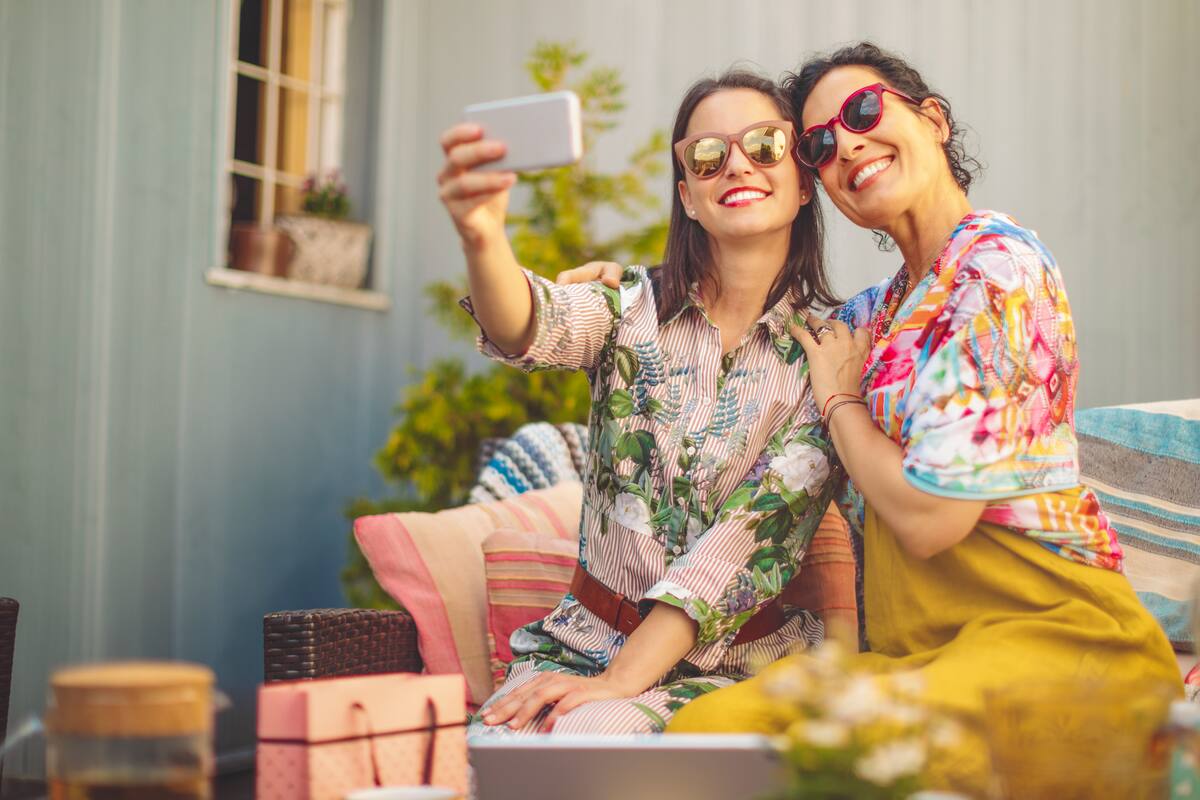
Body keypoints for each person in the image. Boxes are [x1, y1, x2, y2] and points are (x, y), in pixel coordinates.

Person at [656, 42, 1182, 793]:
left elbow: (932, 520)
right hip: (924, 658)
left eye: (865, 110)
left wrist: (840, 404)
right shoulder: (873, 312)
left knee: (852, 759)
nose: (849, 145)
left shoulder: (999, 271)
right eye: (820, 144)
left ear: (932, 119)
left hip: (1060, 643)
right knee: (702, 736)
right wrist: (631, 299)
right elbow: (756, 338)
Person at [436, 70, 852, 737]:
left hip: (743, 668)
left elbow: (744, 542)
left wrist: (621, 682)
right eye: (709, 156)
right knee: (495, 756)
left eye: (766, 145)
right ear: (688, 196)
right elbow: (529, 323)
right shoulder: (629, 308)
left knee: (588, 744)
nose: (737, 165)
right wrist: (483, 236)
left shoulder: (826, 356)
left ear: (804, 182)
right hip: (579, 644)